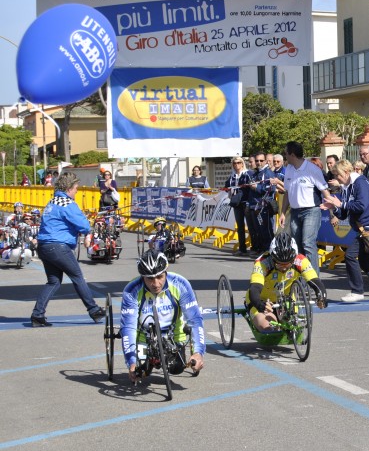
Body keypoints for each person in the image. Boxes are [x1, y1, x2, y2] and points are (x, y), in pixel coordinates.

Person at [30, 172, 105, 327]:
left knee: (54, 281)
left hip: (44, 246)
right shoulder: (68, 203)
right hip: (58, 246)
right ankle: (94, 310)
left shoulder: (52, 202)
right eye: (76, 188)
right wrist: (85, 222)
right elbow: (84, 226)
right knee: (77, 277)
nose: (77, 191)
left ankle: (37, 315)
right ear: (69, 188)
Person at [121, 250, 205, 382]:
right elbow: (128, 327)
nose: (155, 284)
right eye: (150, 278)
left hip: (174, 337)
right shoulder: (132, 290)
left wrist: (198, 353)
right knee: (141, 372)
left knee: (176, 368)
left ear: (166, 272)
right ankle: (144, 362)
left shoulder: (180, 284)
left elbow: (194, 320)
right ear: (142, 277)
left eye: (160, 277)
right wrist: (131, 363)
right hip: (144, 338)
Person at [322, 159, 369, 303]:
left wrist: (341, 204)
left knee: (350, 256)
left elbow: (361, 205)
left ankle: (357, 291)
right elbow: (343, 214)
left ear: (346, 172)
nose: (336, 178)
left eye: (337, 175)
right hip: (361, 227)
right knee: (364, 262)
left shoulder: (360, 182)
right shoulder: (347, 186)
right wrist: (334, 207)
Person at [247, 233, 328, 332]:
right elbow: (255, 288)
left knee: (293, 329)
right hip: (263, 302)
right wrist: (259, 304)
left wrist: (322, 296)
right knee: (268, 328)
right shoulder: (262, 263)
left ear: (293, 259)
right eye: (280, 264)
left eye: (287, 264)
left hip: (287, 302)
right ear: (273, 258)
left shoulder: (300, 261)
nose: (284, 268)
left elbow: (314, 280)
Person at [279, 141, 334, 275]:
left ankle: (313, 278)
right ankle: (302, 276)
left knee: (308, 243)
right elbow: (287, 192)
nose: (285, 156)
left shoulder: (312, 170)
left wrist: (333, 213)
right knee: (297, 245)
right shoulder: (289, 169)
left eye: (286, 154)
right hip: (295, 212)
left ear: (292, 155)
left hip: (311, 211)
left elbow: (325, 192)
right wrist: (282, 213)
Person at [225, 156, 252, 256]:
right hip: (237, 204)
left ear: (242, 163)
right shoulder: (232, 176)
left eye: (238, 162)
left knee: (251, 226)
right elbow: (226, 187)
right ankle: (242, 248)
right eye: (234, 163)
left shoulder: (247, 174)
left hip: (246, 202)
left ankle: (255, 247)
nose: (236, 165)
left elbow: (251, 187)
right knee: (240, 227)